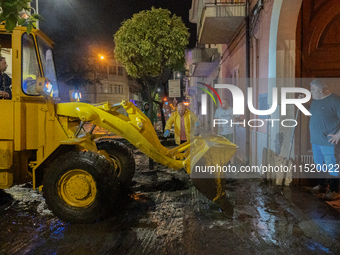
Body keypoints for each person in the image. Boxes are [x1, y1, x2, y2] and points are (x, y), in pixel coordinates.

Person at [307, 79, 340, 201]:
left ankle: (334, 190)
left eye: (313, 89)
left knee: (332, 165)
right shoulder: (315, 101)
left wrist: (338, 135)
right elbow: (312, 114)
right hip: (316, 140)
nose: (311, 92)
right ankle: (322, 185)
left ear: (320, 90)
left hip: (329, 142)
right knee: (319, 163)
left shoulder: (335, 101)